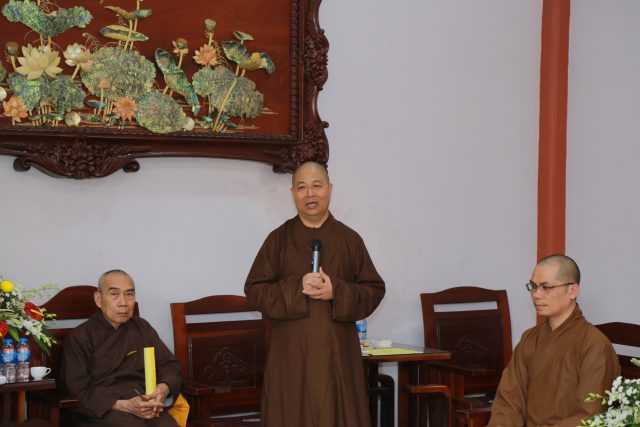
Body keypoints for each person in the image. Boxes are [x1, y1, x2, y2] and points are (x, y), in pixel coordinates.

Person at [244, 161, 385, 427]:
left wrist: (337, 291)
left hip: (337, 355)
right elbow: (254, 289)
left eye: (317, 185)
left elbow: (374, 289)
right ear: (292, 193)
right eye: (302, 187)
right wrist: (297, 286)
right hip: (291, 356)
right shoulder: (277, 240)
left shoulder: (350, 240)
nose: (310, 193)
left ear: (330, 189)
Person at [488, 254, 620, 427]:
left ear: (572, 290)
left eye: (546, 287)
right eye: (533, 287)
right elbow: (508, 402)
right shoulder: (529, 339)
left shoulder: (595, 345)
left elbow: (589, 416)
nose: (537, 295)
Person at [62, 270, 183, 427]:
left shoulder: (142, 328)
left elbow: (170, 366)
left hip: (144, 405)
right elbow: (76, 391)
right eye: (114, 294)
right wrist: (124, 405)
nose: (123, 302)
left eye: (129, 295)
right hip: (103, 411)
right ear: (98, 299)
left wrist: (163, 388)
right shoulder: (80, 337)